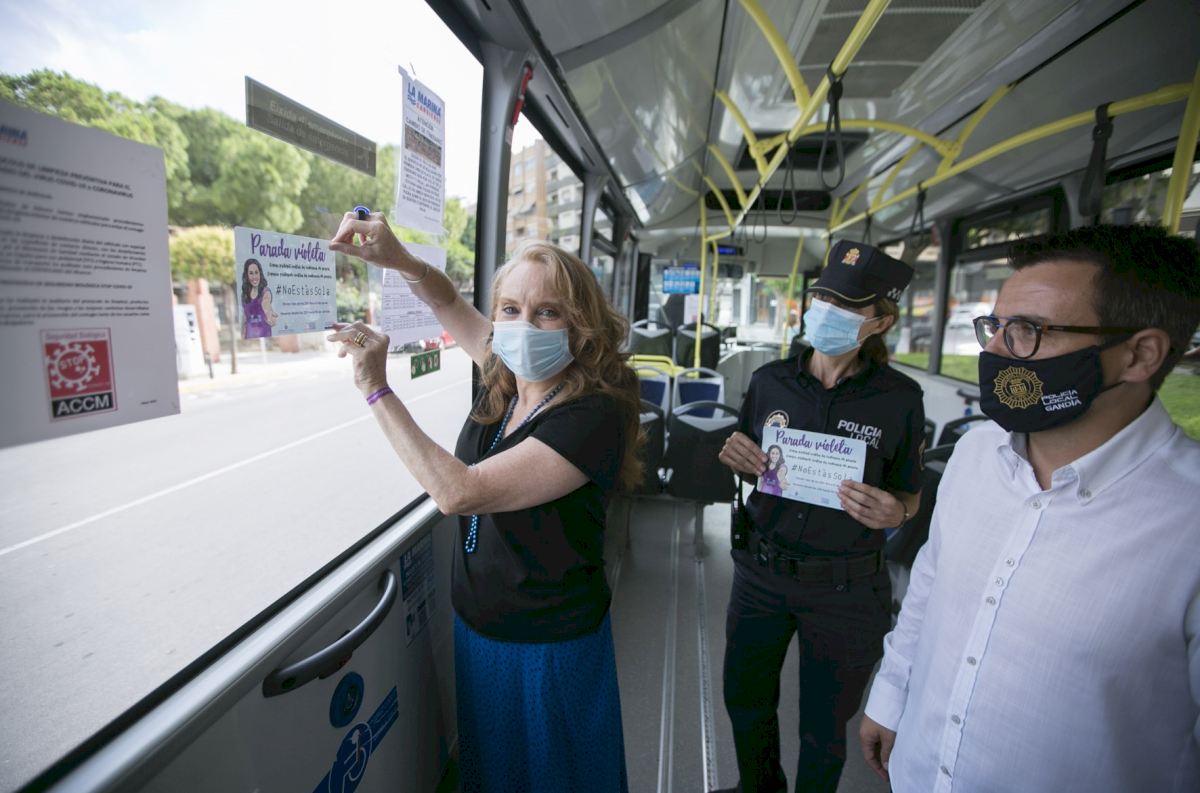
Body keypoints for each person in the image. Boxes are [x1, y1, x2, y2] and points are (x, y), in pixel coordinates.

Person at [858, 224, 1200, 793]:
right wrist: (891, 697)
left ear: (1139, 354)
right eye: (995, 326)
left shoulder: (1188, 520)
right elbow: (930, 586)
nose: (994, 350)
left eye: (1028, 331)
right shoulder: (974, 454)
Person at [326, 212, 640, 793]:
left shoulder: (593, 415)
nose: (523, 325)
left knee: (552, 777)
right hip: (480, 627)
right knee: (496, 774)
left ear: (581, 327)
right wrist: (398, 259)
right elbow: (448, 302)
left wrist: (375, 387)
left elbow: (458, 491)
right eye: (510, 309)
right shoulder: (509, 378)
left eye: (548, 311)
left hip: (547, 644)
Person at [717, 240, 926, 793]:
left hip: (845, 587)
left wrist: (898, 510)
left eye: (848, 304)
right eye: (824, 297)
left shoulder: (900, 399)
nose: (828, 310)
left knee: (824, 726)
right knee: (745, 698)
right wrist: (736, 456)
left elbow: (910, 493)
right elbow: (749, 455)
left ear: (880, 322)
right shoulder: (770, 381)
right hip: (762, 571)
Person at [241, 258, 277, 339]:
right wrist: (242, 336)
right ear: (247, 275)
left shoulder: (265, 292)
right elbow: (245, 319)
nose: (254, 277)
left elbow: (266, 304)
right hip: (249, 338)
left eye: (256, 272)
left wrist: (269, 315)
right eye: (251, 273)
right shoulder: (244, 294)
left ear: (260, 273)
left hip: (264, 337)